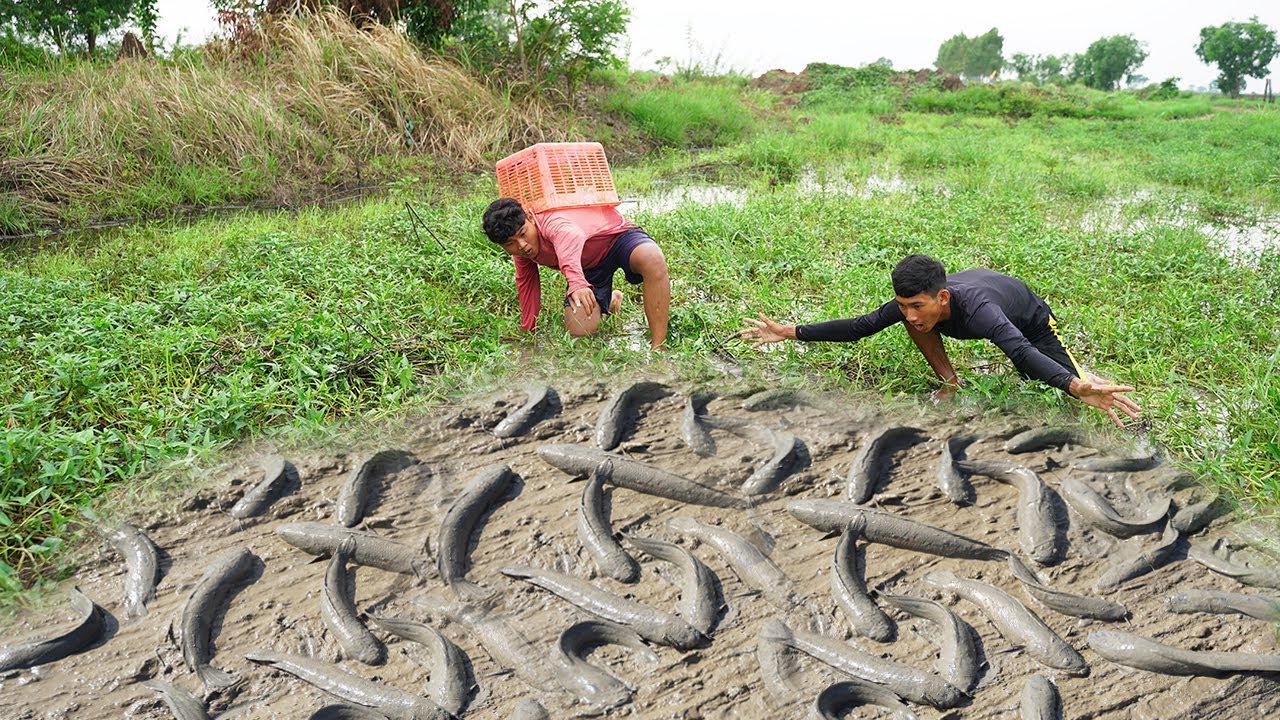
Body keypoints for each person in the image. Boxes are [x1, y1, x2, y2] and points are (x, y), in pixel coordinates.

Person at [740, 253, 1142, 428]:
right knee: (915, 327)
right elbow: (859, 327)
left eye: (917, 305)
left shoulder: (982, 313)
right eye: (903, 305)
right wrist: (787, 331)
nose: (910, 313)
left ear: (942, 297)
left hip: (1030, 319)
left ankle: (1088, 377)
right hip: (985, 300)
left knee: (1050, 382)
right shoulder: (913, 309)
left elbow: (1019, 349)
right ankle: (951, 383)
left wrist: (1074, 384)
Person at [482, 198, 670, 350]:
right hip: (587, 266)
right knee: (579, 334)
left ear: (530, 218)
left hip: (616, 237)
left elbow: (570, 236)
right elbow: (527, 285)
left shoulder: (550, 221)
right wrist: (528, 331)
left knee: (651, 258)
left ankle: (658, 347)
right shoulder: (522, 253)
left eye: (523, 234)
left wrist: (577, 282)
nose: (522, 246)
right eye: (510, 244)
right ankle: (611, 300)